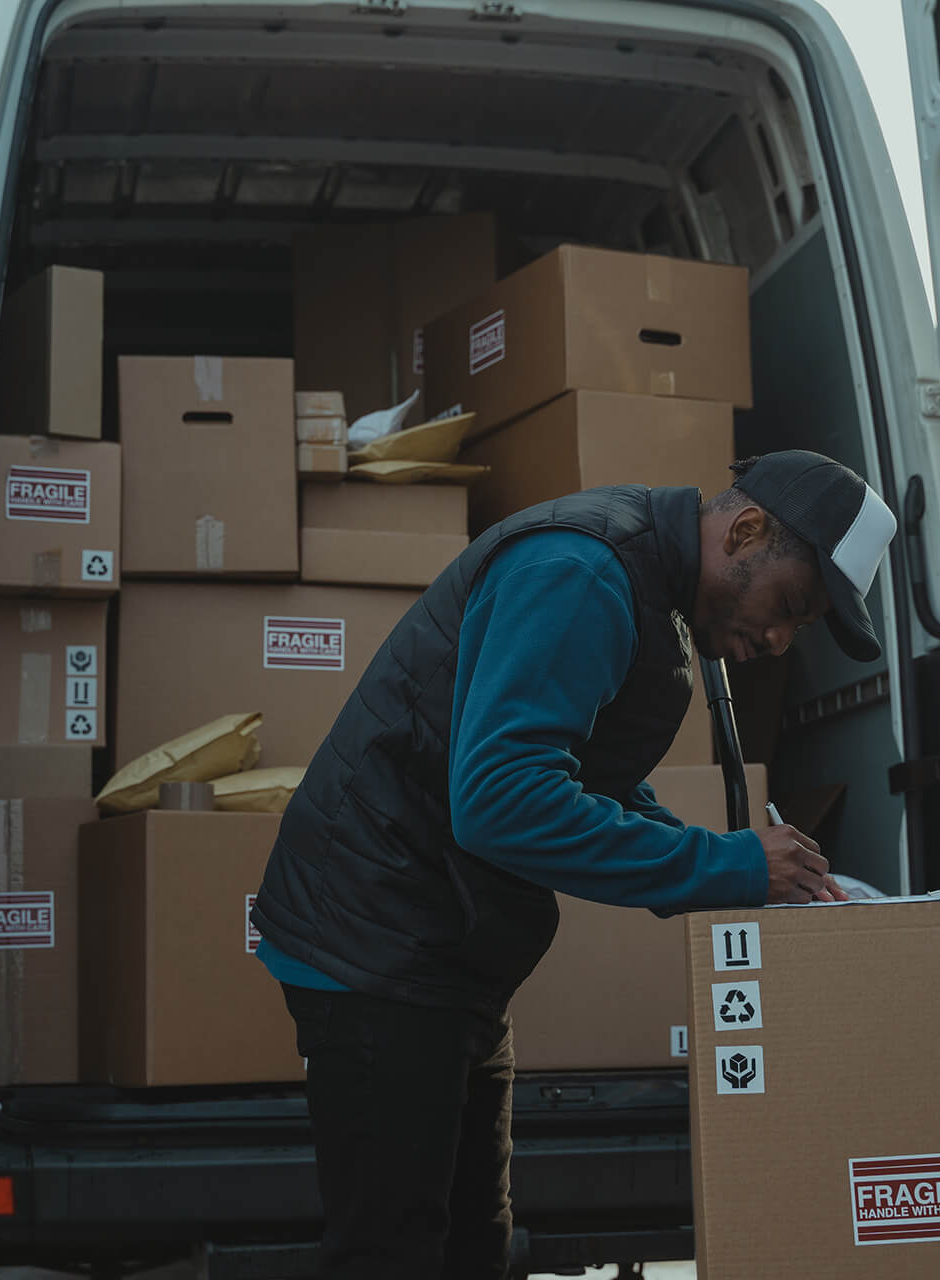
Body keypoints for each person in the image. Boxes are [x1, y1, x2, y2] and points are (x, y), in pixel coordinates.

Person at [250, 450, 897, 1279]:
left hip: (443, 952)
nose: (777, 641)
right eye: (791, 606)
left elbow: (591, 776)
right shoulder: (583, 571)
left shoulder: (645, 587)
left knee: (474, 1243)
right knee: (395, 1254)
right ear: (745, 529)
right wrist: (723, 865)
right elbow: (502, 799)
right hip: (376, 942)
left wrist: (736, 875)